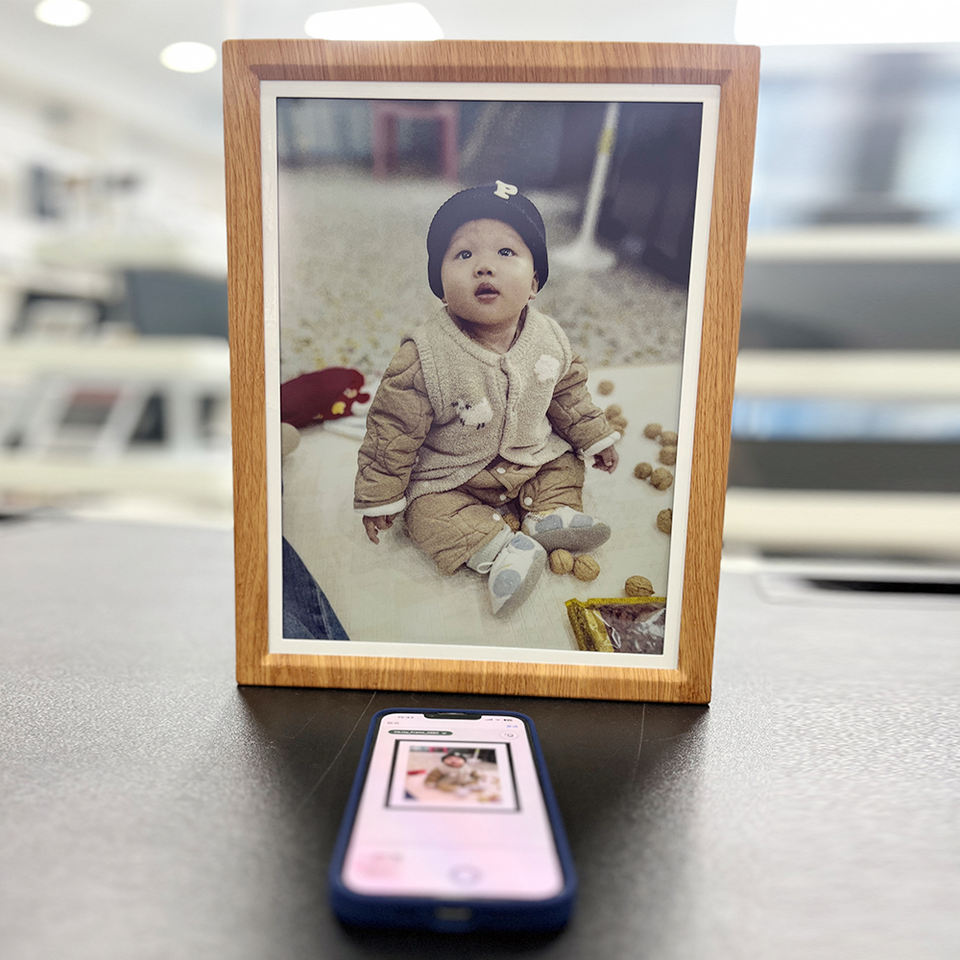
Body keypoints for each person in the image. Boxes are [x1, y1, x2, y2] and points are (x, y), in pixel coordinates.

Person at [355, 180, 620, 616]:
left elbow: (568, 393)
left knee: (566, 465)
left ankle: (551, 515)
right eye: (464, 255)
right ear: (441, 286)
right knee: (425, 515)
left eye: (505, 252)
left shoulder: (550, 338)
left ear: (534, 282)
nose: (483, 267)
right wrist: (380, 494)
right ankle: (500, 549)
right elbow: (392, 431)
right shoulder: (424, 356)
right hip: (453, 475)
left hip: (532, 456)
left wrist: (594, 435)